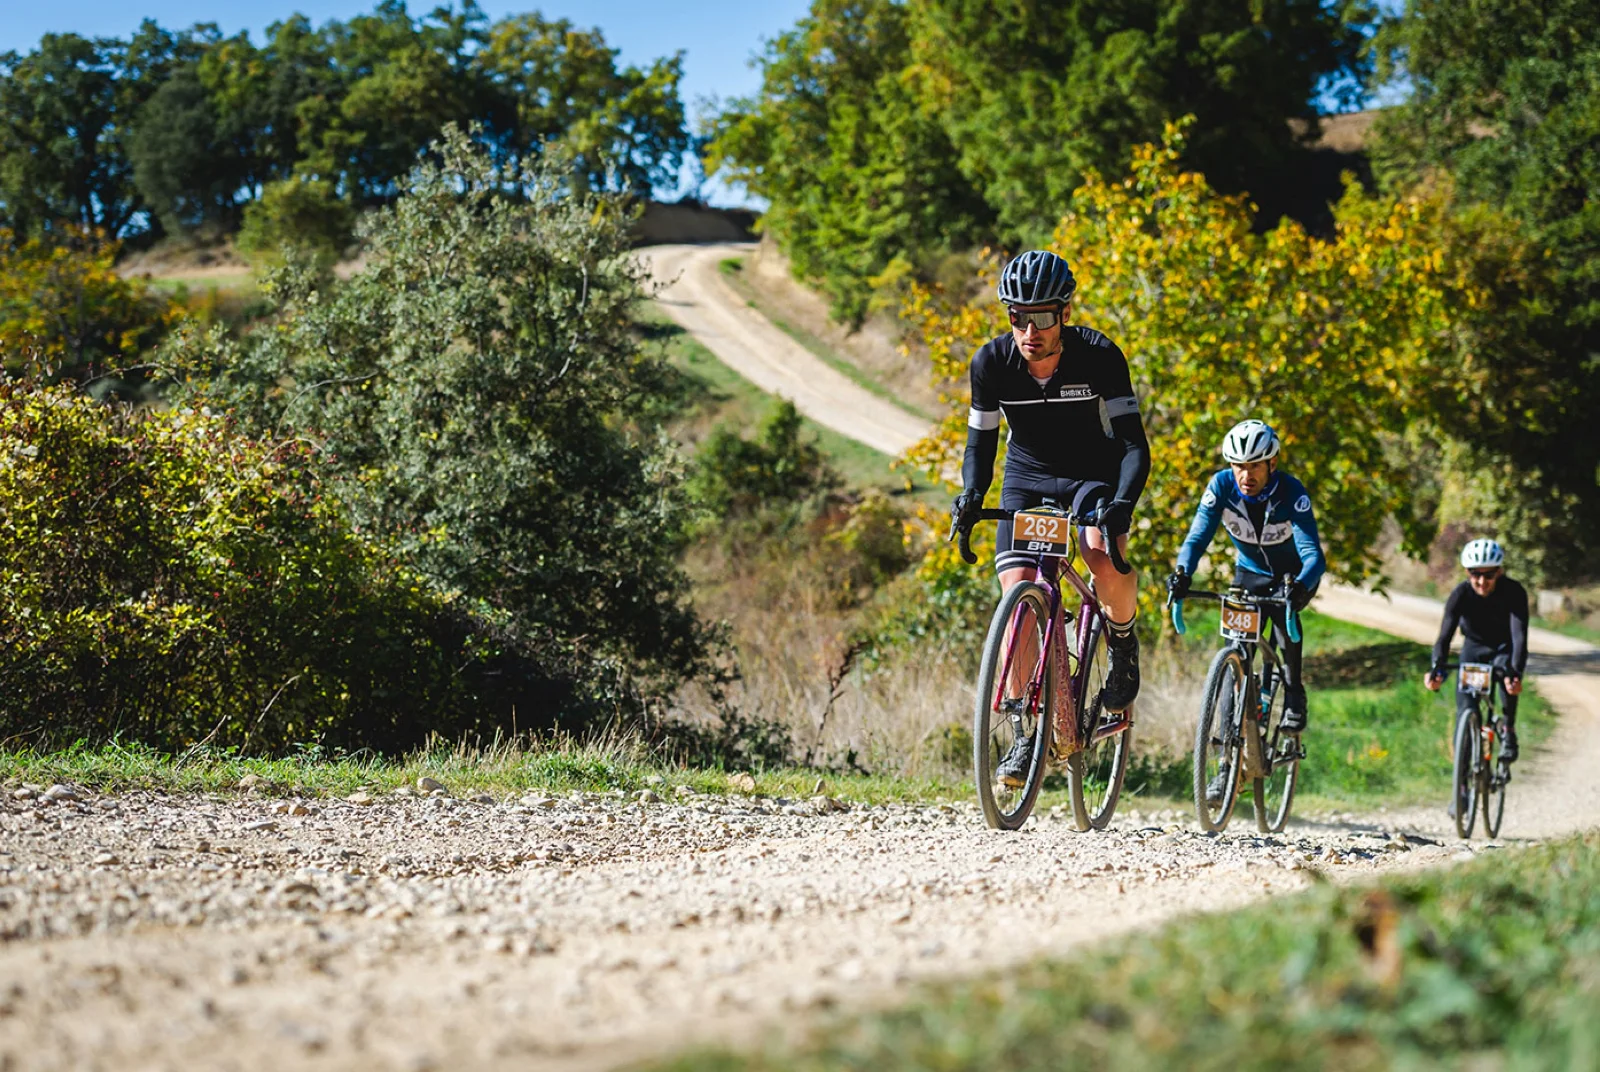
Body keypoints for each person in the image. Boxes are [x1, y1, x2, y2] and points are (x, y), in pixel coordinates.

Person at [951, 249, 1150, 786]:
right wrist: (972, 495)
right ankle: (1022, 735)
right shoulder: (991, 363)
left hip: (1092, 471)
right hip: (1027, 474)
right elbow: (981, 443)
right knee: (1016, 597)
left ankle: (1123, 641)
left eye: (1041, 317)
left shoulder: (1100, 355)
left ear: (1064, 313)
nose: (1029, 330)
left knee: (1100, 554)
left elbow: (1133, 444)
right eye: (1017, 316)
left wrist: (1122, 504)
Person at [1167, 419, 1325, 803]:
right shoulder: (1221, 486)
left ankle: (1293, 691)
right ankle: (1225, 769)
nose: (1244, 474)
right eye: (1237, 465)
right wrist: (1183, 573)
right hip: (1250, 575)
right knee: (1233, 666)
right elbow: (1197, 536)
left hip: (1291, 577)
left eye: (1253, 465)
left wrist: (1301, 586)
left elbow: (1313, 555)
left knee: (1287, 629)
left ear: (1271, 464)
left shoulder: (1292, 493)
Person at [1424, 538, 1528, 763]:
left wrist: (1516, 673)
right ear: (1466, 573)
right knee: (1465, 710)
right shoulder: (1460, 594)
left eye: (1489, 575)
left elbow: (1519, 637)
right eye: (1475, 575)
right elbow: (1444, 636)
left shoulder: (1514, 592)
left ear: (1499, 572)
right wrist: (1436, 669)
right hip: (1473, 648)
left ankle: (1508, 729)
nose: (1482, 582)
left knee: (1506, 675)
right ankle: (1460, 790)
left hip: (1503, 647)